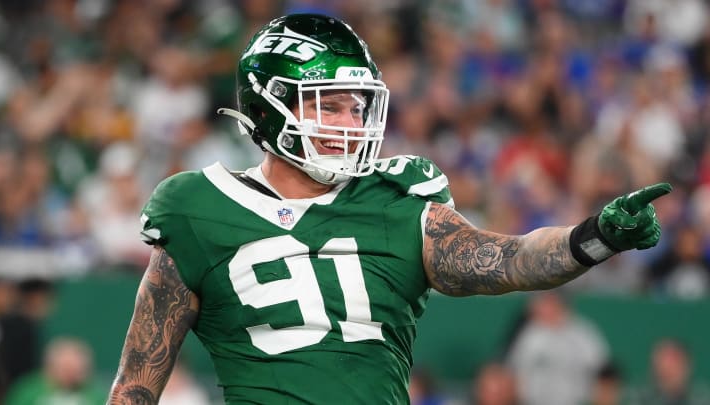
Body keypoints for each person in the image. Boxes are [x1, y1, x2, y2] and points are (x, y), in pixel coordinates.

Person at [107, 13, 671, 405]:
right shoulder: (195, 208)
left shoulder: (398, 193)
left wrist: (595, 236)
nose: (349, 124)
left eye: (356, 107)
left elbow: (507, 259)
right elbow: (136, 384)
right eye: (328, 105)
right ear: (268, 106)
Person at [506, 291, 609, 405]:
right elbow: (515, 372)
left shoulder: (583, 332)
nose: (539, 306)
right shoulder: (530, 334)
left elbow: (603, 371)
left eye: (546, 302)